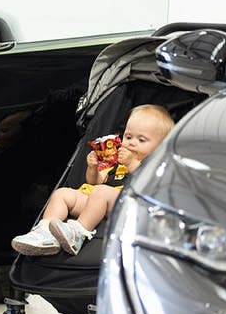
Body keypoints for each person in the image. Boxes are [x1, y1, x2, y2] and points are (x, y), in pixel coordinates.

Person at [11, 104, 174, 256]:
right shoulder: (116, 160)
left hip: (130, 207)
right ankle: (44, 234)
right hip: (98, 202)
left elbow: (150, 183)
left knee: (101, 192)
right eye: (128, 136)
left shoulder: (157, 163)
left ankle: (79, 232)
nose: (131, 143)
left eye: (141, 140)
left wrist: (132, 163)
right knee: (62, 194)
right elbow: (95, 182)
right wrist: (93, 168)